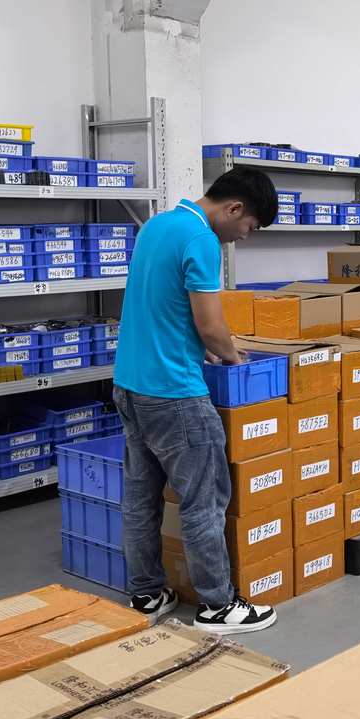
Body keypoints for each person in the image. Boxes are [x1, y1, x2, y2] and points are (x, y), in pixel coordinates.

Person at [112, 166, 279, 634]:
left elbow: (160, 306)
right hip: (174, 393)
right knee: (204, 500)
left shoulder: (158, 225)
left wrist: (196, 343)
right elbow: (210, 324)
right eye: (249, 227)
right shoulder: (202, 239)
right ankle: (217, 605)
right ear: (234, 208)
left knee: (141, 498)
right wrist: (231, 354)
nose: (243, 237)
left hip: (130, 384)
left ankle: (146, 593)